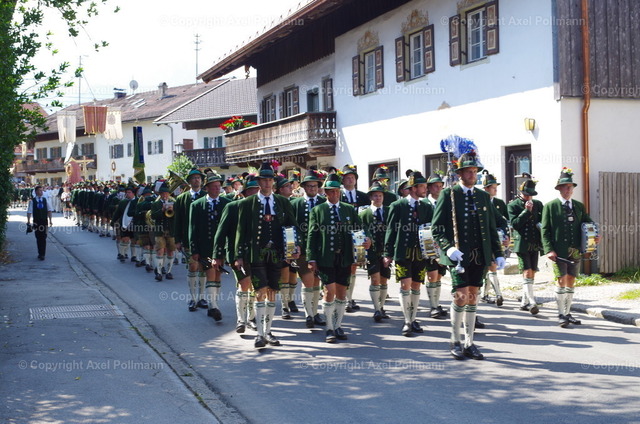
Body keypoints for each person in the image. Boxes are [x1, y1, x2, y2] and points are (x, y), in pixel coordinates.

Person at [432, 152, 505, 360]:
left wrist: (498, 253)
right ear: (460, 174)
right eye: (469, 171)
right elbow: (437, 228)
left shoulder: (483, 197)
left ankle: (469, 342)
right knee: (461, 295)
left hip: (479, 255)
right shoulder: (449, 194)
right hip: (458, 256)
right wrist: (448, 248)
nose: (473, 175)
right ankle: (454, 340)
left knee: (473, 295)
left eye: (475, 171)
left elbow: (491, 228)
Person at [235, 162, 300, 348]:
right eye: (263, 180)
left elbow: (292, 225)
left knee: (272, 292)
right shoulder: (247, 203)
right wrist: (239, 255)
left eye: (270, 180)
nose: (267, 183)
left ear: (273, 182)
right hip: (256, 253)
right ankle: (260, 334)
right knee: (260, 291)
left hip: (277, 254)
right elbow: (241, 231)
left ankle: (268, 331)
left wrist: (296, 246)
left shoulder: (283, 202)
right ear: (259, 182)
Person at [308, 173, 371, 343]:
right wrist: (311, 258)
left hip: (345, 257)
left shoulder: (348, 209)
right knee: (330, 291)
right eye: (330, 191)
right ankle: (329, 328)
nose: (334, 194)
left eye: (336, 191)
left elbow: (360, 227)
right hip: (325, 257)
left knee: (342, 292)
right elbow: (312, 235)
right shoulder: (318, 210)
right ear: (325, 192)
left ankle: (337, 325)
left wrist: (367, 238)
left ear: (340, 191)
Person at [542, 167, 599, 328]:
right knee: (561, 279)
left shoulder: (579, 206)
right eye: (565, 187)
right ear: (559, 188)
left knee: (571, 280)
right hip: (558, 250)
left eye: (570, 187)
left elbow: (588, 222)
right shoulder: (550, 206)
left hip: (575, 250)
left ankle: (567, 312)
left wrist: (595, 235)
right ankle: (561, 314)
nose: (568, 190)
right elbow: (545, 230)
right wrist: (549, 250)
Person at [383, 170, 432, 337]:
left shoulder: (426, 206)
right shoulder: (398, 206)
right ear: (413, 188)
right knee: (405, 285)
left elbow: (432, 229)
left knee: (417, 286)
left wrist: (435, 252)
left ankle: (413, 318)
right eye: (422, 186)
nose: (426, 189)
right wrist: (387, 253)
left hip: (421, 253)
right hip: (402, 252)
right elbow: (391, 229)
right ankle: (407, 321)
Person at [213, 175, 260, 334]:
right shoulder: (232, 207)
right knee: (244, 283)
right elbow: (221, 233)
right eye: (252, 190)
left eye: (258, 190)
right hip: (237, 253)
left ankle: (252, 317)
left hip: (258, 254)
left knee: (255, 285)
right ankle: (241, 319)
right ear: (245, 193)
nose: (256, 193)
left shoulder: (264, 207)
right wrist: (217, 255)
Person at [189, 171, 231, 320]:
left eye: (219, 186)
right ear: (206, 188)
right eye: (213, 186)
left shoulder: (227, 203)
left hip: (221, 246)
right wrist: (194, 249)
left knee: (218, 275)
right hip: (205, 246)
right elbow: (192, 229)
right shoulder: (196, 205)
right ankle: (213, 306)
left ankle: (213, 304)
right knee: (210, 273)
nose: (217, 189)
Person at [290, 168, 326, 327]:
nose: (312, 188)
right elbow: (291, 227)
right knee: (307, 280)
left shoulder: (323, 202)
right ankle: (308, 315)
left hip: (321, 249)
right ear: (303, 187)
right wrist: (294, 246)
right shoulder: (295, 203)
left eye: (315, 186)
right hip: (302, 249)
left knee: (317, 281)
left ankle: (315, 312)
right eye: (309, 186)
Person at [508, 174, 544, 315]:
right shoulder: (513, 205)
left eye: (531, 195)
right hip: (522, 243)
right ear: (521, 192)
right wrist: (526, 211)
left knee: (532, 272)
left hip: (534, 243)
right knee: (527, 271)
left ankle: (524, 301)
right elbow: (515, 224)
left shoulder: (538, 204)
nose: (529, 197)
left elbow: (542, 221)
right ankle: (532, 301)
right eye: (526, 195)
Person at [174, 168, 207, 311]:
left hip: (205, 239)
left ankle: (202, 297)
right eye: (194, 178)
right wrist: (177, 239)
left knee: (203, 268)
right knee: (193, 266)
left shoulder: (207, 196)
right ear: (189, 181)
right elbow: (177, 221)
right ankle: (192, 299)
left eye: (198, 178)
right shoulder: (182, 198)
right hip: (189, 239)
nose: (196, 180)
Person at [340, 164, 369, 312]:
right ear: (343, 180)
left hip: (358, 234)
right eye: (347, 178)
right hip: (342, 234)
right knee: (342, 266)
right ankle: (343, 297)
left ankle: (349, 298)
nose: (350, 180)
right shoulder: (338, 195)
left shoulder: (363, 196)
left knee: (353, 266)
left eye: (353, 177)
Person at [359, 181, 390, 322]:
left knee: (384, 280)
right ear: (371, 197)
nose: (378, 198)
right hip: (371, 251)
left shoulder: (388, 211)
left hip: (385, 251)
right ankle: (377, 309)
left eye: (380, 195)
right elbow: (360, 231)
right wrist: (366, 239)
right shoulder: (364, 214)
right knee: (375, 279)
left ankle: (381, 307)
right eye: (375, 196)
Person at [480, 171, 510, 307]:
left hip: (496, 240)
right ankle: (495, 294)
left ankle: (489, 294)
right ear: (486, 189)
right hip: (482, 240)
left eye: (496, 187)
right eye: (493, 187)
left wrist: (506, 236)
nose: (495, 189)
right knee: (489, 267)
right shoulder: (480, 200)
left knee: (492, 265)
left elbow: (504, 221)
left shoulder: (499, 203)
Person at [423, 172, 449, 319]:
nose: (438, 189)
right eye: (435, 186)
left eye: (440, 186)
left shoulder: (445, 202)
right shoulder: (425, 203)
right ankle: (433, 306)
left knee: (439, 274)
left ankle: (437, 303)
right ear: (429, 188)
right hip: (429, 242)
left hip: (443, 243)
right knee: (432, 274)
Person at [275, 174, 298, 319]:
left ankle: (291, 299)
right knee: (284, 273)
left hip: (291, 239)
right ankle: (285, 305)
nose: (291, 188)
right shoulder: (276, 202)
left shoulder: (295, 202)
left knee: (293, 273)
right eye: (287, 186)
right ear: (280, 189)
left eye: (290, 185)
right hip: (279, 241)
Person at [150, 183, 177, 281]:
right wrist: (161, 210)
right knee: (160, 250)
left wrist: (173, 210)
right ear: (160, 194)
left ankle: (169, 272)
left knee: (170, 251)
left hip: (171, 230)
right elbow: (153, 216)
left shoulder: (174, 203)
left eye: (167, 193)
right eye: (163, 193)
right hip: (159, 230)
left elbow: (177, 217)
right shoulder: (155, 204)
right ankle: (159, 272)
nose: (165, 195)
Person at [110, 184, 137, 263]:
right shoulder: (123, 202)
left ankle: (134, 256)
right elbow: (117, 213)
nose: (127, 194)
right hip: (124, 223)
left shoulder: (137, 201)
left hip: (134, 223)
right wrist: (113, 221)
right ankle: (122, 254)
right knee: (124, 239)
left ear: (133, 193)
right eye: (126, 193)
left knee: (134, 240)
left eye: (129, 192)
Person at [26, 186, 53, 260]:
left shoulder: (45, 200)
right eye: (40, 190)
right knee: (38, 237)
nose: (41, 192)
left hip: (44, 221)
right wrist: (28, 221)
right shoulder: (32, 201)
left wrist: (50, 220)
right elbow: (29, 211)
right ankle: (40, 252)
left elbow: (49, 210)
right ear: (36, 192)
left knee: (43, 237)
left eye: (42, 190)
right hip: (36, 221)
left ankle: (42, 254)